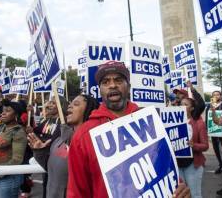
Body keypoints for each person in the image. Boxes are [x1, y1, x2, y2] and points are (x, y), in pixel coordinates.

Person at [67, 61, 190, 198]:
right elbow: (77, 192)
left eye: (118, 80)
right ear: (99, 89)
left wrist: (180, 188)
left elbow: (165, 168)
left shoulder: (151, 122)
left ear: (129, 86)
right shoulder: (83, 136)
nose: (112, 85)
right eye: (106, 82)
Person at [28, 93, 99, 198]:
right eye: (70, 103)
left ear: (89, 110)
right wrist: (39, 152)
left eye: (76, 104)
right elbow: (50, 168)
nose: (70, 106)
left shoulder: (94, 142)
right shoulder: (59, 140)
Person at [0, 100, 27, 198]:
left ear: (16, 115)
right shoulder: (1, 127)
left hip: (7, 180)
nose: (3, 113)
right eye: (3, 110)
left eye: (7, 111)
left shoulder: (18, 132)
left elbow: (17, 159)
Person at [177, 81, 208, 198]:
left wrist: (193, 145)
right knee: (181, 195)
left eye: (186, 105)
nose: (182, 107)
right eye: (181, 104)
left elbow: (205, 146)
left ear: (192, 108)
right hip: (178, 165)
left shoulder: (198, 122)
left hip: (193, 165)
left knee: (195, 195)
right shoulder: (173, 123)